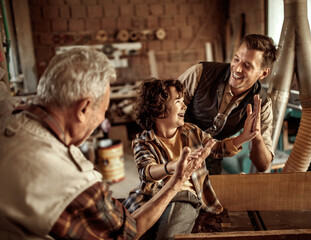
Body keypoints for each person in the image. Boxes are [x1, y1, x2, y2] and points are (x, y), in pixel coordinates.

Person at [0, 48, 211, 239]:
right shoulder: (75, 182)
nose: (102, 120)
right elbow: (126, 234)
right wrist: (176, 182)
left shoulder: (6, 117)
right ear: (84, 109)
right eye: (103, 110)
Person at [123, 78, 261, 239]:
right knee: (127, 231)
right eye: (178, 101)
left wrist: (243, 137)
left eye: (183, 101)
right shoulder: (142, 141)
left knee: (167, 236)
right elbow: (146, 172)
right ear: (160, 110)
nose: (184, 105)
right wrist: (174, 166)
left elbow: (217, 148)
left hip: (183, 196)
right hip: (152, 196)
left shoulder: (192, 131)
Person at [178, 34, 279, 174]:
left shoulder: (262, 105)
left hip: (211, 156)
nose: (237, 69)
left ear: (263, 74)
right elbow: (163, 113)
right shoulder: (199, 74)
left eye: (247, 65)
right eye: (236, 59)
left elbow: (263, 165)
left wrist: (256, 135)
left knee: (209, 193)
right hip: (175, 150)